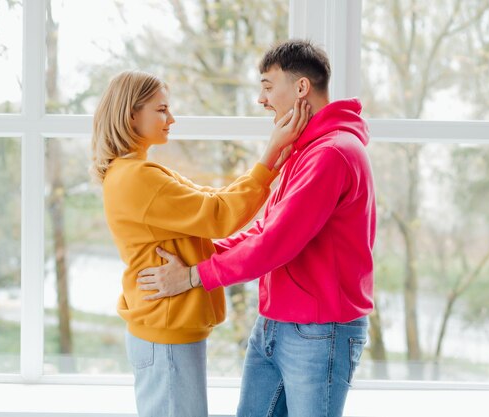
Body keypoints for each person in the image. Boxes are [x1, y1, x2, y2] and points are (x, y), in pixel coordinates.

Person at [137, 40, 376, 417]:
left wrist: (194, 276)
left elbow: (274, 244)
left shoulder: (331, 154)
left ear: (301, 88)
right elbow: (266, 227)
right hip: (277, 323)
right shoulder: (307, 151)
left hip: (318, 334)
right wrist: (201, 253)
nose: (261, 99)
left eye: (267, 86)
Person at [90, 70, 310, 417]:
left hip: (167, 328)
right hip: (165, 332)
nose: (170, 118)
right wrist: (268, 158)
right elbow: (217, 215)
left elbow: (209, 200)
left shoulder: (138, 171)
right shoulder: (137, 177)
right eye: (161, 109)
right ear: (131, 114)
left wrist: (268, 170)